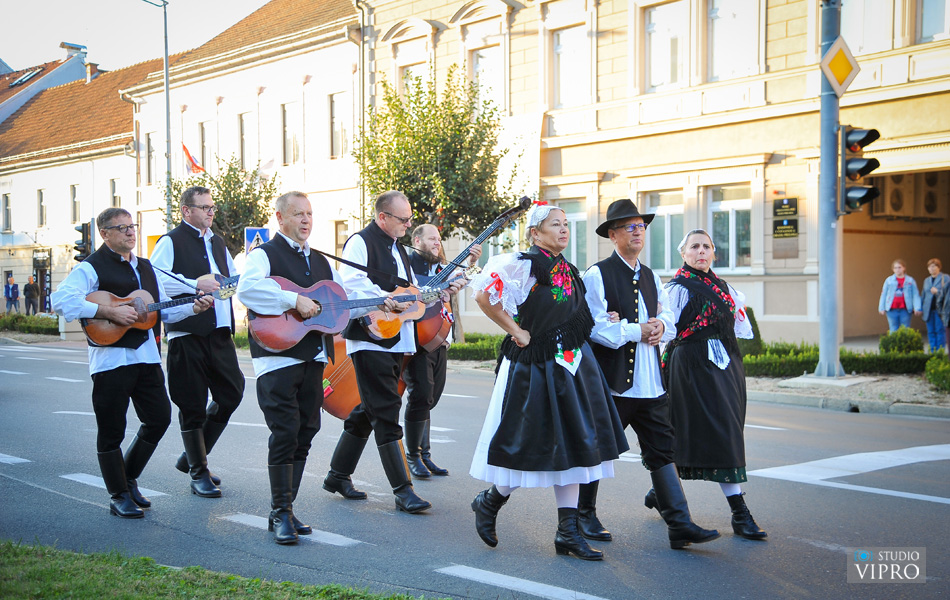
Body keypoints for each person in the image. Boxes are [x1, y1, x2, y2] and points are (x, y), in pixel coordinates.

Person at [468, 203, 629, 561]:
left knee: (575, 446)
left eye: (566, 224)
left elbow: (577, 316)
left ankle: (567, 533)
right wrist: (516, 331)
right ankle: (490, 502)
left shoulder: (569, 270)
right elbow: (483, 295)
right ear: (535, 232)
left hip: (572, 366)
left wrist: (608, 318)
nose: (563, 230)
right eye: (555, 224)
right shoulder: (521, 264)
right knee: (527, 443)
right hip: (536, 367)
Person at [51, 207, 213, 519]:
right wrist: (108, 312)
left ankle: (127, 477)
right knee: (112, 428)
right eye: (121, 227)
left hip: (147, 357)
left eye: (132, 226)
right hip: (110, 359)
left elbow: (161, 311)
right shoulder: (91, 267)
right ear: (104, 233)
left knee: (159, 418)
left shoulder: (148, 267)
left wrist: (193, 309)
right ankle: (118, 495)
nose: (130, 232)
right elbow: (61, 300)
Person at [237, 191, 373, 544]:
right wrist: (291, 299)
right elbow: (247, 290)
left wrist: (385, 303)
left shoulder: (323, 262)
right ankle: (280, 511)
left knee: (307, 429)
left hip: (313, 357)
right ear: (280, 218)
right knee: (285, 431)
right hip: (276, 356)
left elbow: (343, 305)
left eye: (309, 214)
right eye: (298, 214)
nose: (306, 220)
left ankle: (287, 509)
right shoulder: (264, 254)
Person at [582, 199, 720, 550]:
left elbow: (670, 318)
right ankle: (584, 515)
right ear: (613, 234)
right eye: (629, 227)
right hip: (615, 384)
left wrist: (659, 325)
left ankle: (679, 523)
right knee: (598, 449)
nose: (637, 231)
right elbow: (595, 327)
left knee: (663, 451)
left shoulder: (652, 275)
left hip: (651, 383)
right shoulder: (597, 274)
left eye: (641, 226)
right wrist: (636, 330)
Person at [323, 190, 458, 514]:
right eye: (403, 219)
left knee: (368, 410)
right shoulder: (360, 242)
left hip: (398, 340)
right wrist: (382, 299)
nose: (409, 224)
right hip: (370, 339)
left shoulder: (400, 248)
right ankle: (403, 489)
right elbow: (351, 287)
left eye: (409, 218)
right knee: (385, 409)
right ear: (382, 217)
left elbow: (412, 296)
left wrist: (439, 293)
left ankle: (338, 475)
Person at [662, 229, 766, 541]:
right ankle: (739, 512)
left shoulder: (725, 287)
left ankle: (663, 492)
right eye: (694, 246)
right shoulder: (676, 289)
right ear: (684, 254)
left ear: (714, 253)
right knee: (713, 432)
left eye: (707, 246)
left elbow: (740, 326)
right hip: (692, 367)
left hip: (726, 366)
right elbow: (665, 331)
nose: (701, 251)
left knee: (722, 429)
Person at [151, 186, 244, 499]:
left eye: (212, 208)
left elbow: (232, 283)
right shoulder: (170, 241)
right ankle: (198, 471)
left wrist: (226, 292)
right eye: (203, 207)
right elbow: (156, 279)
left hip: (219, 332)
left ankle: (193, 456)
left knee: (231, 393)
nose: (209, 213)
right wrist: (195, 285)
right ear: (186, 211)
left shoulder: (217, 242)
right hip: (187, 333)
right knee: (191, 404)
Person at [402, 223, 481, 478]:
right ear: (417, 240)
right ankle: (412, 456)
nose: (437, 243)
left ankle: (425, 455)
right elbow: (415, 290)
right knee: (421, 396)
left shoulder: (440, 267)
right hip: (417, 339)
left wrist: (469, 264)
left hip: (440, 337)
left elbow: (461, 281)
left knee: (431, 398)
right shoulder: (407, 264)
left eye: (439, 239)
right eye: (432, 238)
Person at [878, 259, 921, 333]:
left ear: (904, 268)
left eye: (899, 267)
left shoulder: (910, 280)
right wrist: (881, 307)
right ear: (893, 269)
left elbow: (915, 295)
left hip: (905, 309)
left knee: (905, 329)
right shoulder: (889, 280)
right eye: (895, 268)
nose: (897, 270)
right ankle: (894, 344)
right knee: (893, 329)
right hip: (892, 309)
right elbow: (884, 294)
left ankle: (905, 344)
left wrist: (917, 307)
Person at [921, 259, 949, 353]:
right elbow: (923, 295)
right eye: (930, 267)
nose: (932, 268)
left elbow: (948, 293)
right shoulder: (926, 280)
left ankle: (940, 351)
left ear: (939, 267)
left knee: (940, 331)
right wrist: (919, 308)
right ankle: (933, 351)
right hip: (928, 310)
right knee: (931, 331)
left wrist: (938, 292)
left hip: (940, 310)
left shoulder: (945, 278)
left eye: (934, 266)